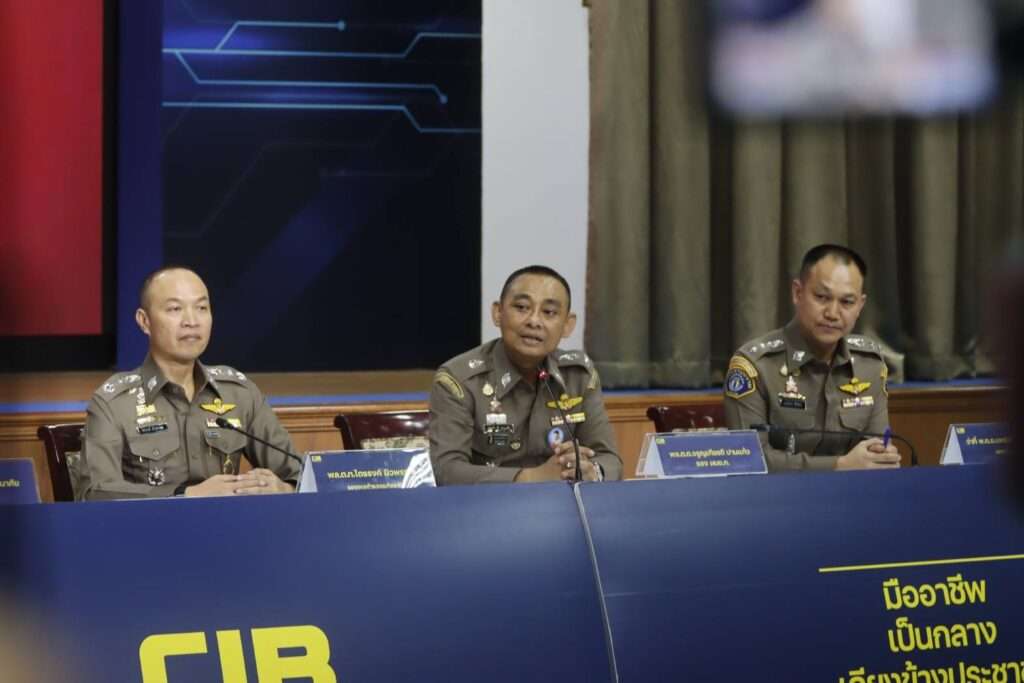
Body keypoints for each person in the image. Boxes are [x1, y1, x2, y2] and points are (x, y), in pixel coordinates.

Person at [78, 266, 299, 499]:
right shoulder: (114, 403)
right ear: (144, 321)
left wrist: (284, 488)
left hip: (229, 521)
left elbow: (299, 475)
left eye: (201, 308)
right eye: (175, 309)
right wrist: (186, 495)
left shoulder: (238, 393)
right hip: (152, 524)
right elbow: (94, 494)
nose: (191, 321)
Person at [429, 265, 622, 484]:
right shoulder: (459, 380)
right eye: (522, 307)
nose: (534, 321)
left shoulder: (578, 377)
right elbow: (447, 471)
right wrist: (529, 477)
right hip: (488, 503)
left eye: (549, 312)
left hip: (560, 503)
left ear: (567, 325)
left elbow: (610, 460)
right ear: (498, 313)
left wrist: (592, 471)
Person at [723, 244, 901, 472]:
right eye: (822, 297)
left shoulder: (869, 365)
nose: (832, 313)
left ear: (860, 306)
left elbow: (876, 451)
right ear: (797, 293)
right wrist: (838, 465)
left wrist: (881, 459)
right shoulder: (755, 366)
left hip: (853, 492)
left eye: (847, 302)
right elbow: (749, 459)